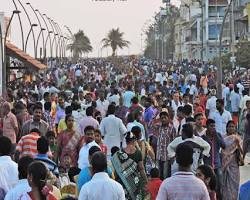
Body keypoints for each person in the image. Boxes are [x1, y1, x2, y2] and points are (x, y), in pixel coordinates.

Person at [111, 132, 148, 200]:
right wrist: (146, 181)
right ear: (134, 141)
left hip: (123, 182)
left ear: (126, 141)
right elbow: (141, 168)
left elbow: (117, 170)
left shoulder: (120, 153)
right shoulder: (138, 153)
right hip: (135, 182)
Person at [201, 119, 225, 199]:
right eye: (211, 126)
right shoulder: (203, 137)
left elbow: (223, 145)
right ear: (207, 127)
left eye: (214, 126)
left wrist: (216, 136)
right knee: (208, 185)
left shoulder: (218, 135)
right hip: (207, 165)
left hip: (217, 164)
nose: (213, 128)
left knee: (219, 184)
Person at [221, 120, 244, 200]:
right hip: (224, 163)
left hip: (234, 163)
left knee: (234, 183)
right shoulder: (223, 138)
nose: (231, 128)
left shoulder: (237, 138)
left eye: (233, 127)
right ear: (226, 128)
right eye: (229, 126)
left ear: (235, 128)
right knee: (224, 183)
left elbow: (242, 152)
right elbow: (221, 151)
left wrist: (238, 144)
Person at [153, 111, 176, 179]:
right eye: (162, 118)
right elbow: (151, 124)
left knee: (165, 175)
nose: (163, 119)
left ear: (168, 118)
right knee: (158, 175)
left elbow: (174, 142)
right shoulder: (159, 127)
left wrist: (173, 156)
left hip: (167, 155)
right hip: (159, 155)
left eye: (165, 118)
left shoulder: (172, 128)